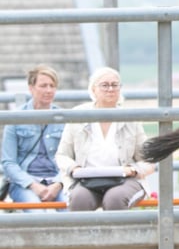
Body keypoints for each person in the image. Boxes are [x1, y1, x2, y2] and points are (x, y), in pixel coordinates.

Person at [55, 67, 156, 211]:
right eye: (105, 85)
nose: (110, 89)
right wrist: (74, 168)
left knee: (114, 199)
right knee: (79, 199)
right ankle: (82, 234)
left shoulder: (130, 118)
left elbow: (148, 160)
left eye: (115, 85)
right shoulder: (78, 115)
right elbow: (62, 155)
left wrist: (133, 170)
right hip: (86, 180)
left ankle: (116, 234)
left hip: (124, 181)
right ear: (93, 89)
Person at [1, 65, 66, 210]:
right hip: (25, 182)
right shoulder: (15, 119)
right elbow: (8, 162)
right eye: (43, 86)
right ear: (31, 88)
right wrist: (33, 185)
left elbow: (71, 158)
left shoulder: (64, 118)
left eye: (52, 86)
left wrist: (58, 183)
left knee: (70, 209)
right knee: (35, 210)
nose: (48, 90)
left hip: (57, 179)